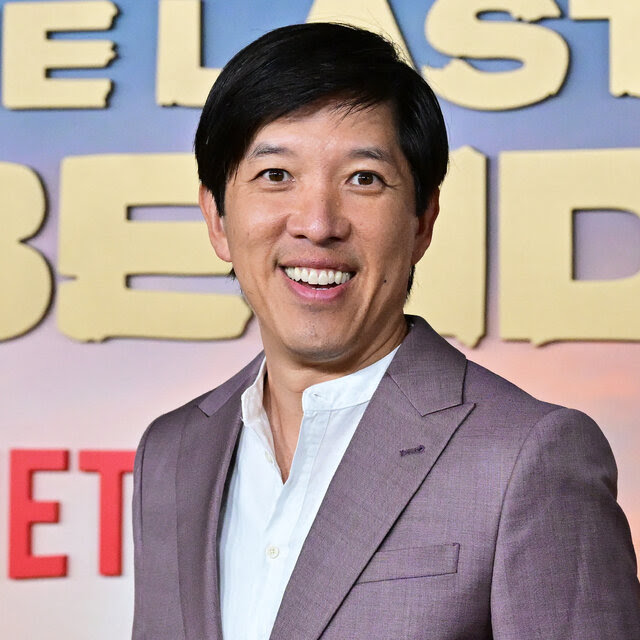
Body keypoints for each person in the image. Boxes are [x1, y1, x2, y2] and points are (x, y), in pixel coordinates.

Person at [131, 22, 640, 640]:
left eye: (363, 179)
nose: (318, 224)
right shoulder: (174, 452)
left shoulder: (528, 457)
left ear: (423, 220)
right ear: (216, 218)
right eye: (275, 175)